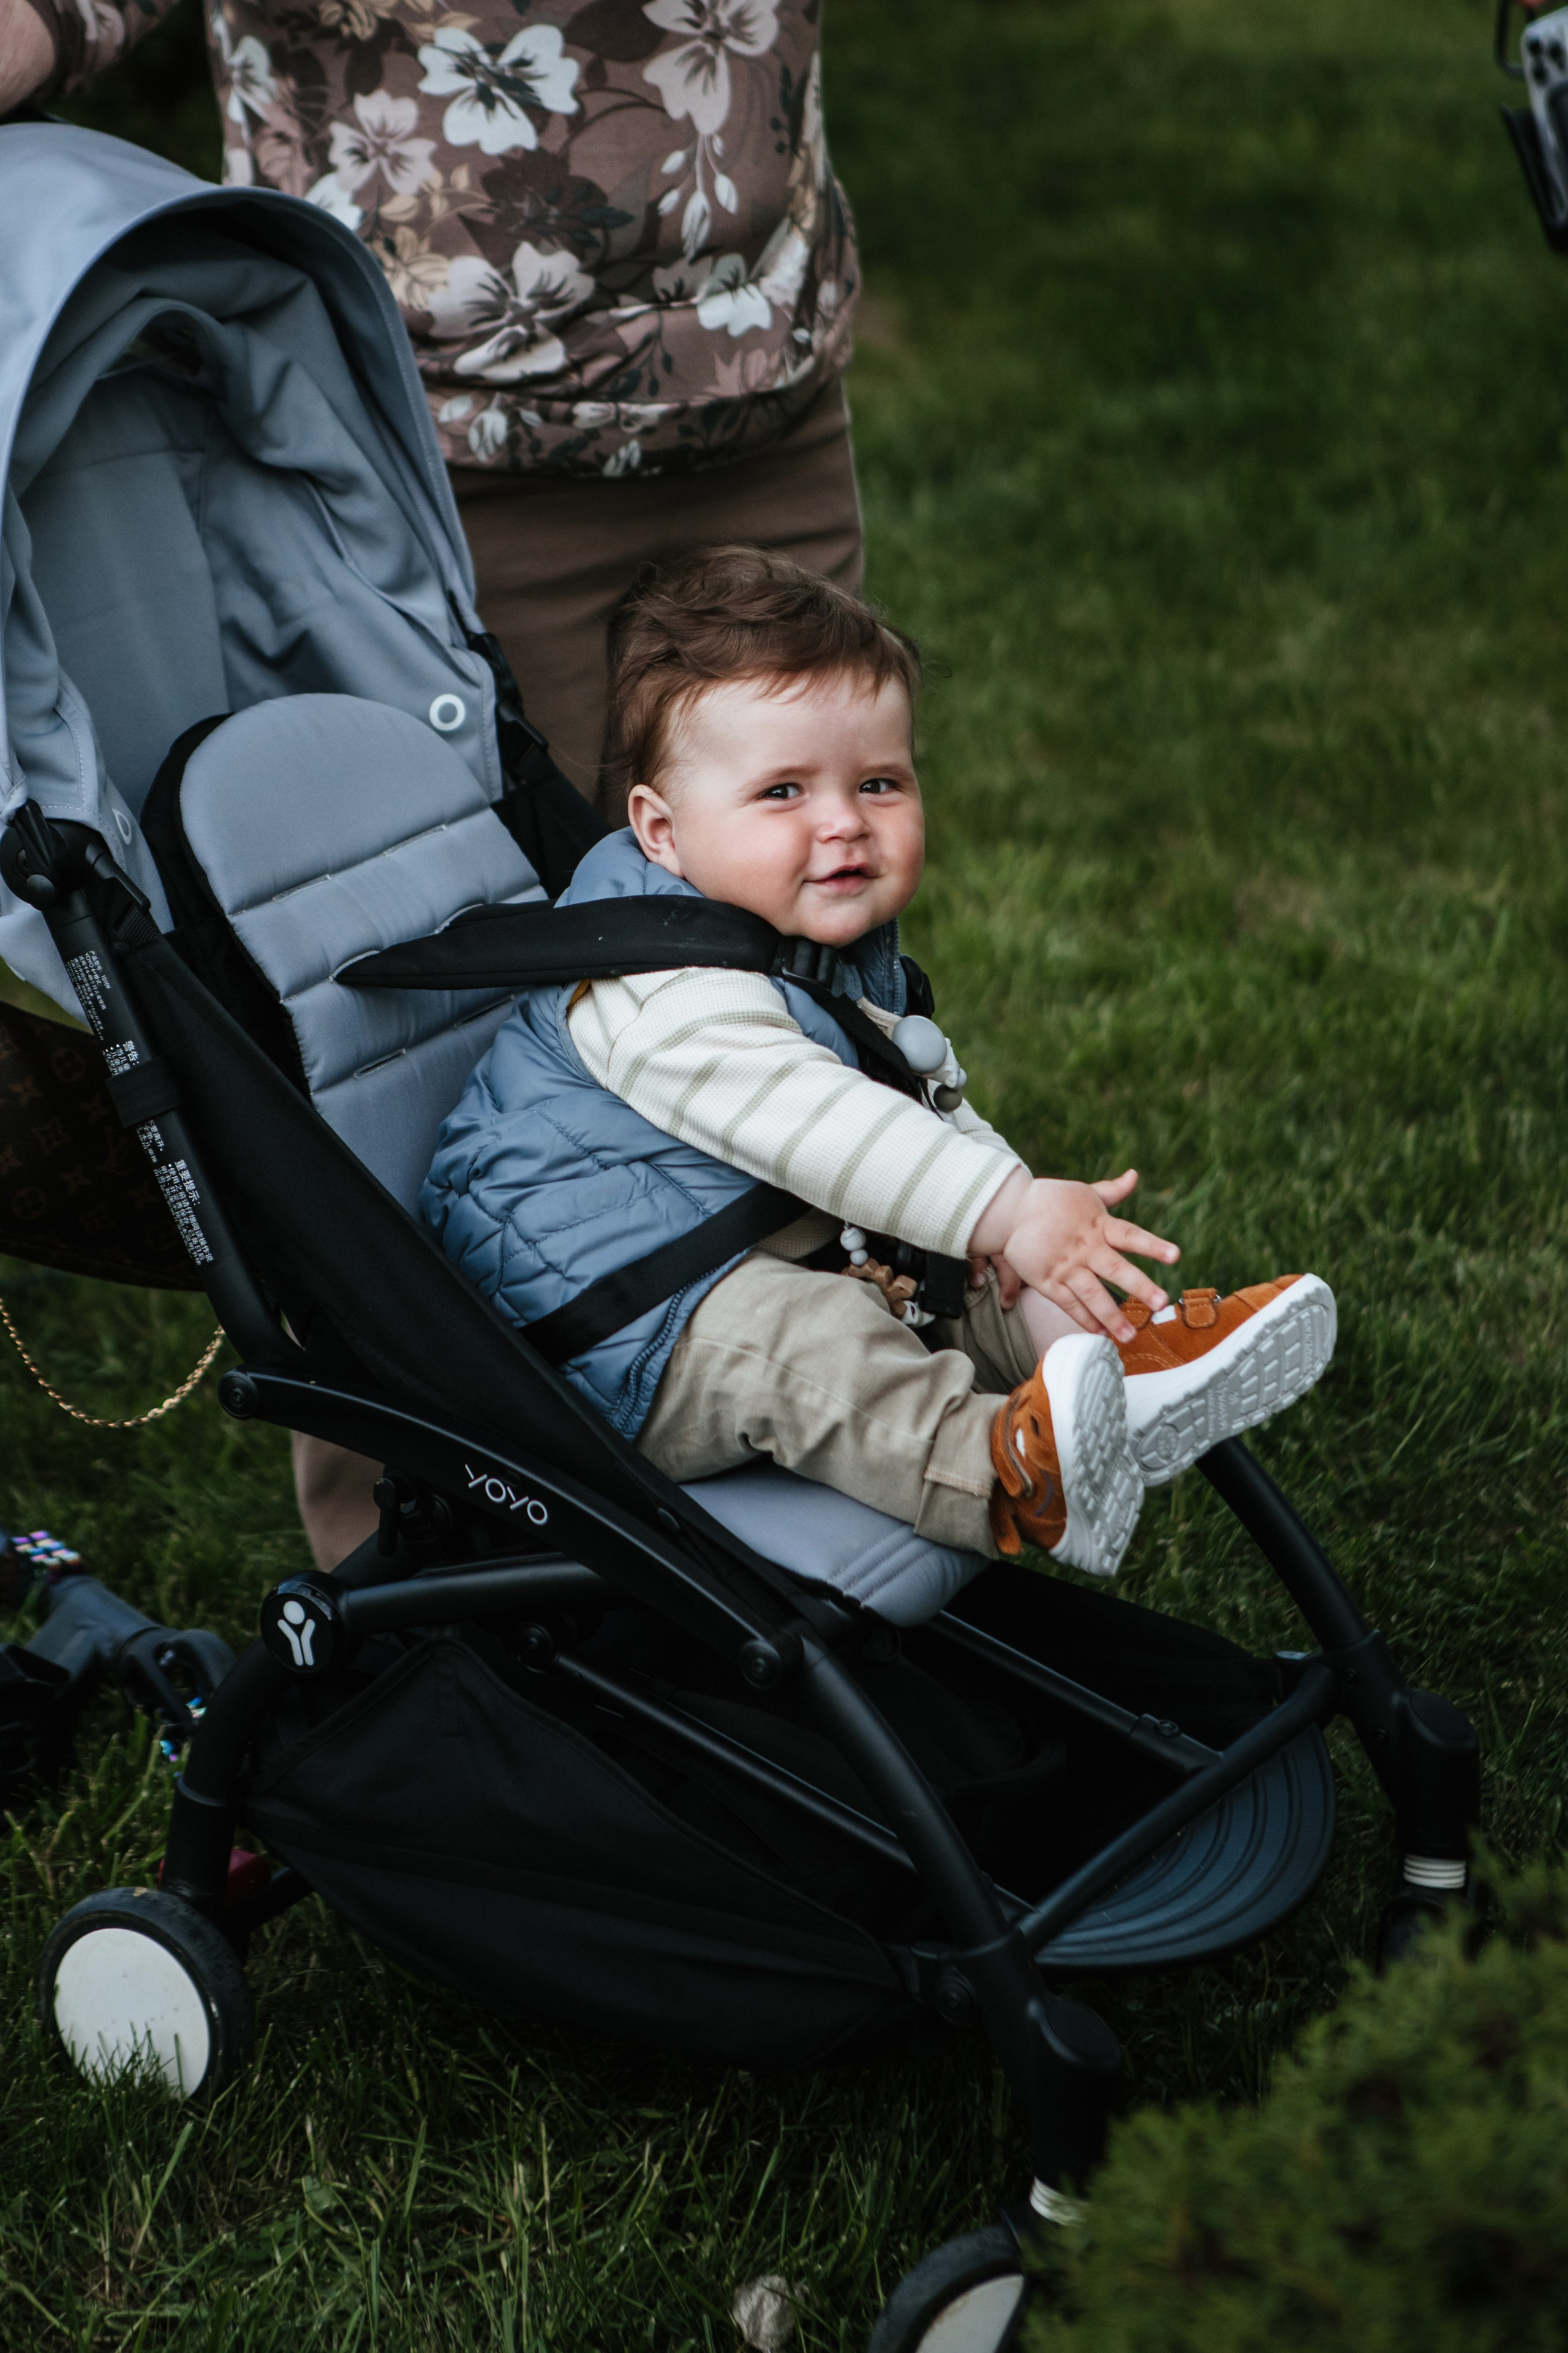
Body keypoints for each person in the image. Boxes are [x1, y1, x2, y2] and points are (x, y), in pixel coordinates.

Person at [3, 0, 865, 1563]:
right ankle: (414, 1646)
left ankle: (848, 1478)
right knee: (400, 1074)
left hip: (745, 372)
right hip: (410, 446)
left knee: (797, 979)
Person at [424, 548, 1336, 1575]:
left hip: (750, 1238)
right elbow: (820, 1120)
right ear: (662, 833)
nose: (844, 820)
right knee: (809, 1340)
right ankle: (1005, 1475)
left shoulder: (814, 944)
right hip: (623, 1331)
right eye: (782, 791)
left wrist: (1018, 1220)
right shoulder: (659, 987)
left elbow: (919, 1109)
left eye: (879, 782)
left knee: (980, 1259)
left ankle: (1132, 1357)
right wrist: (1006, 1205)